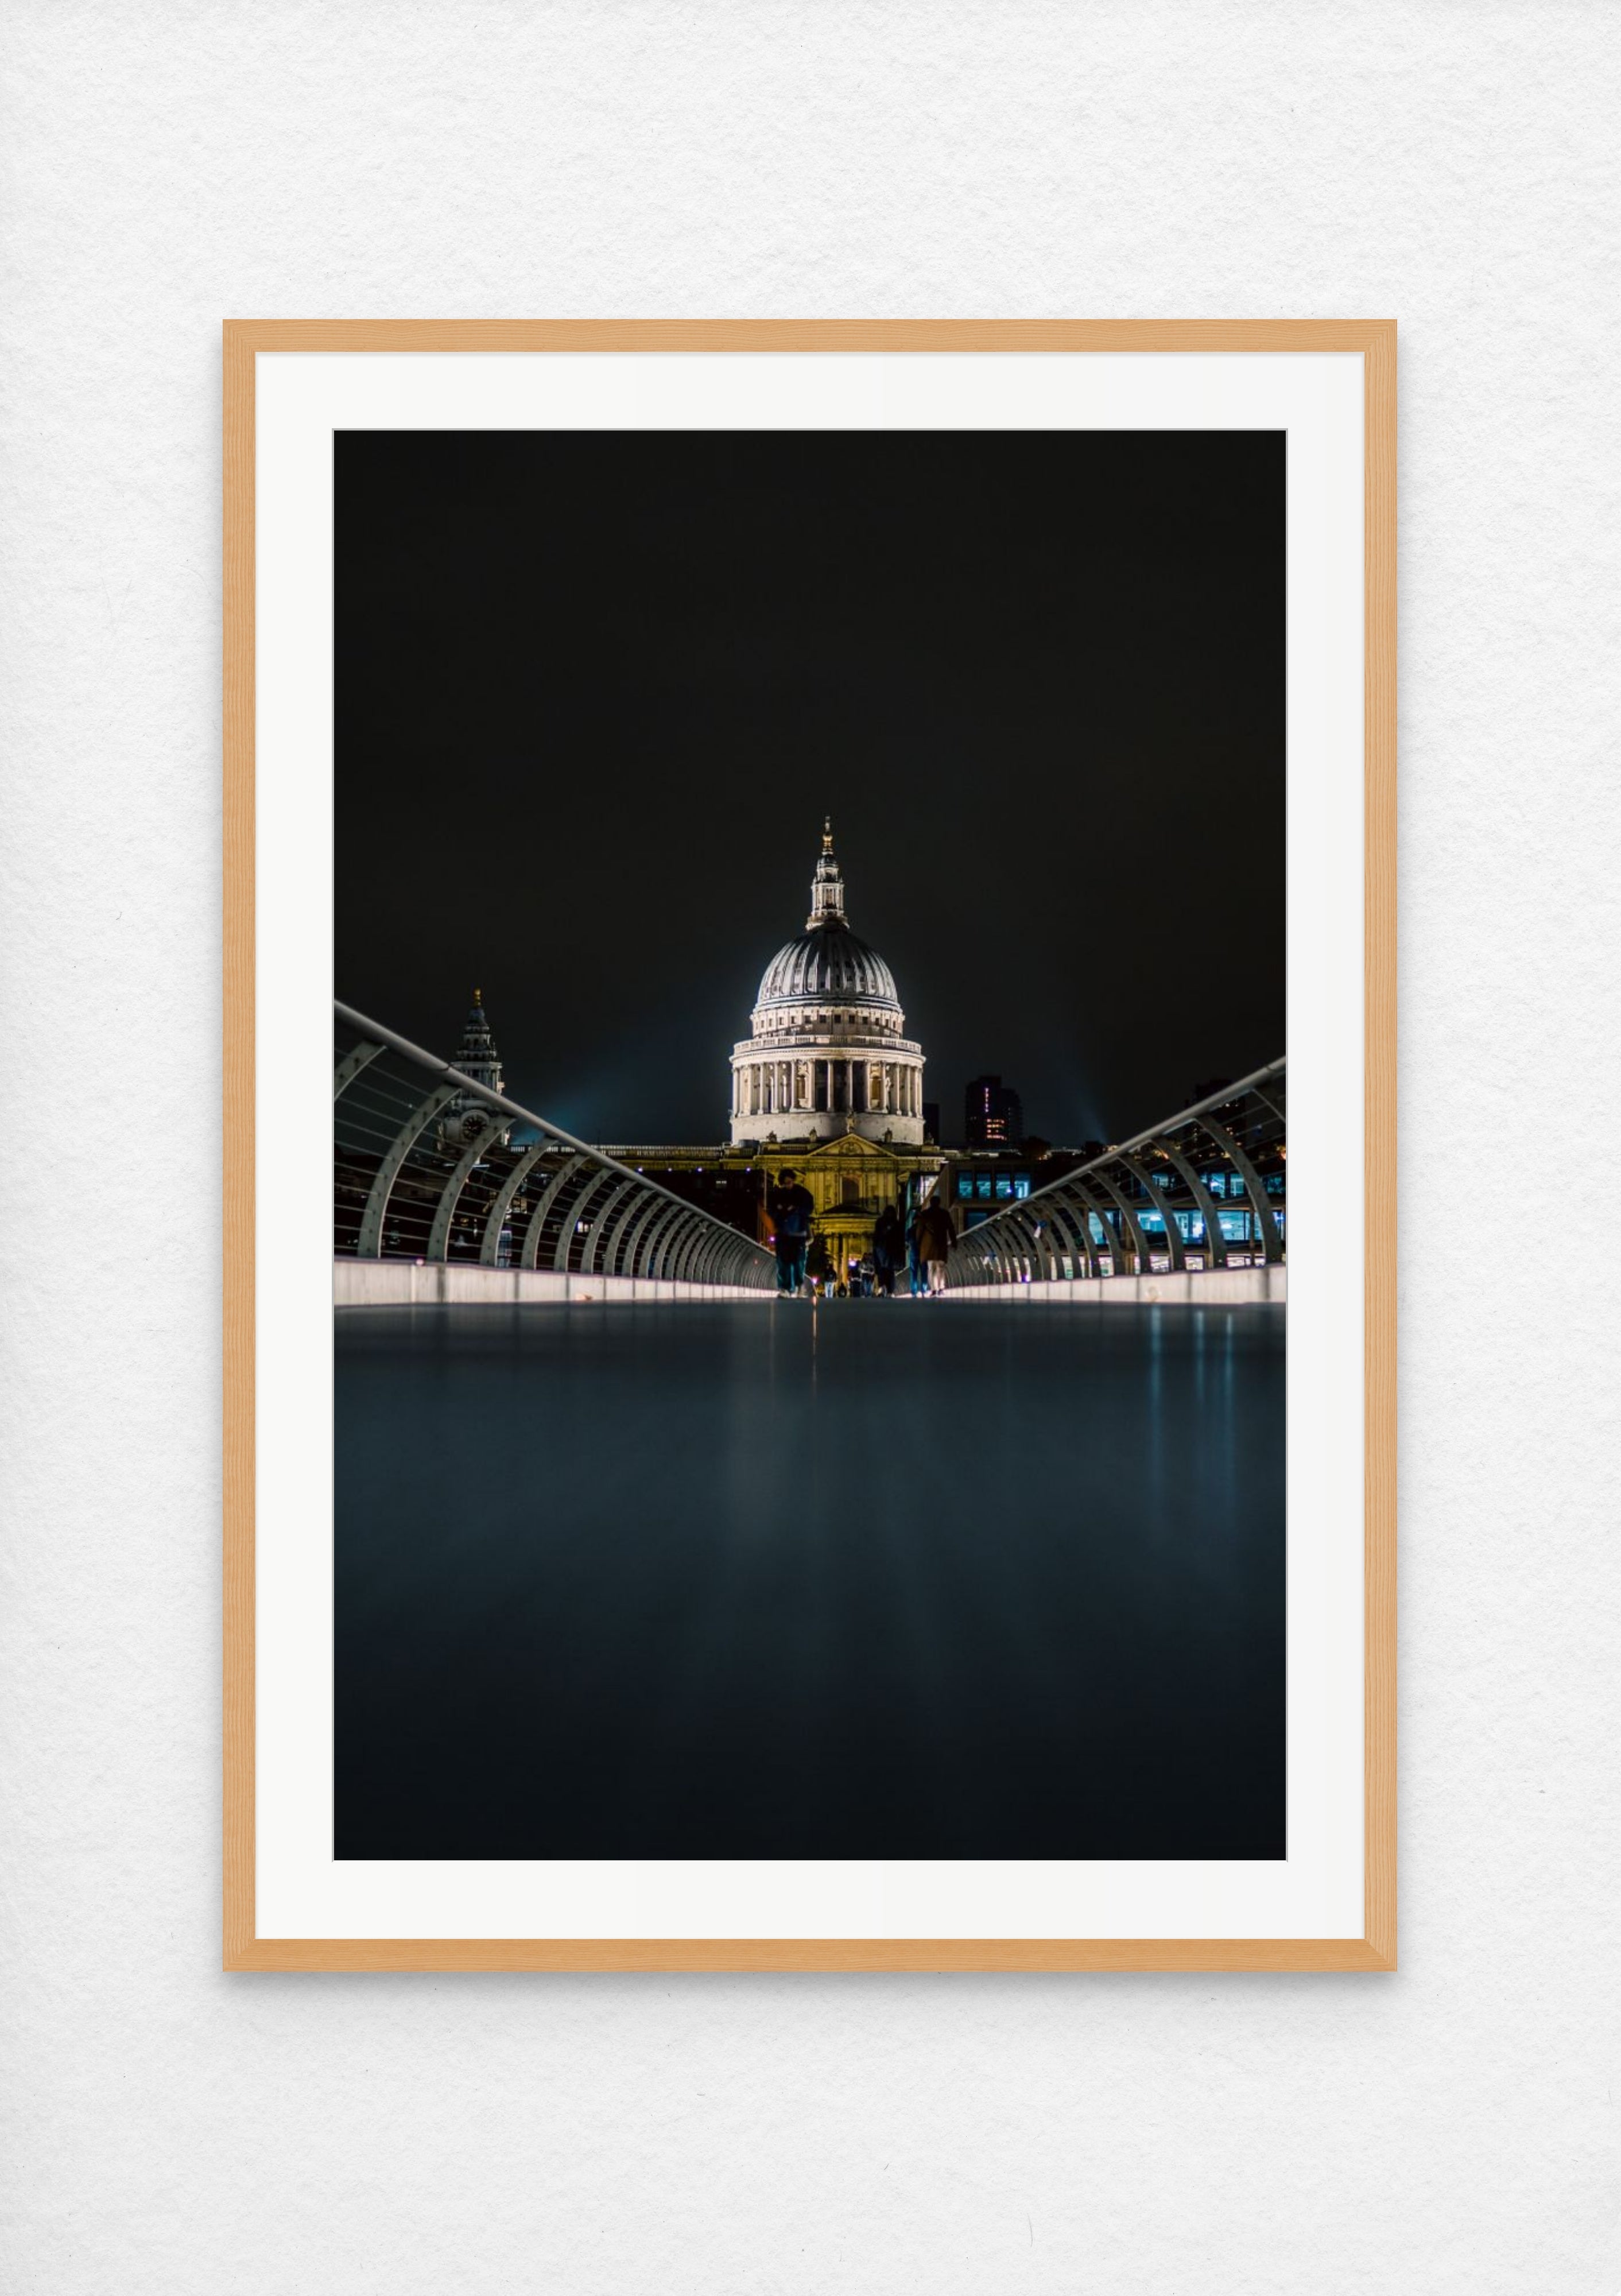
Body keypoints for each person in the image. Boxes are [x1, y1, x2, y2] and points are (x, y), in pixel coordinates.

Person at [767, 1168, 815, 1296]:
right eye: (785, 1183)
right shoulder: (778, 1194)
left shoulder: (803, 1193)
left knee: (798, 1262)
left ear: (793, 1180)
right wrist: (781, 1211)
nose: (788, 1185)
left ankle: (798, 1286)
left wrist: (794, 1209)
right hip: (784, 1233)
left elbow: (809, 1209)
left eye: (790, 1182)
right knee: (783, 1262)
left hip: (798, 1233)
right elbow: (771, 1210)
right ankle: (785, 1288)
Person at [914, 1194, 955, 1295]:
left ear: (931, 1203)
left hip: (928, 1245)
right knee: (941, 1267)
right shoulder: (944, 1214)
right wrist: (954, 1241)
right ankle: (941, 1289)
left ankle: (933, 1289)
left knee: (931, 1268)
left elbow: (919, 1230)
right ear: (939, 1203)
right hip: (941, 1243)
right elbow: (951, 1228)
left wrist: (918, 1242)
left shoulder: (925, 1214)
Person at [872, 1204, 903, 1297]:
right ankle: (888, 1290)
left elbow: (877, 1236)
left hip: (884, 1250)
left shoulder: (881, 1222)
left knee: (885, 1271)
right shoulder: (896, 1223)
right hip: (888, 1250)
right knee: (888, 1271)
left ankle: (885, 1289)